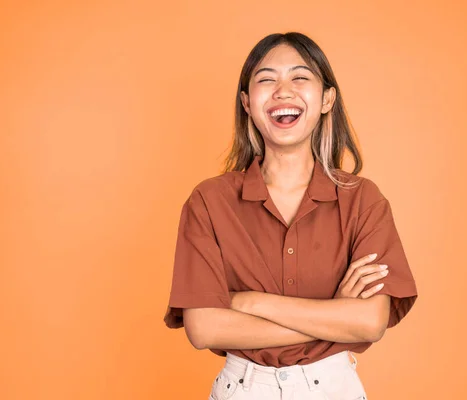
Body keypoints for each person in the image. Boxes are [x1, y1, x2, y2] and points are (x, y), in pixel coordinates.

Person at [163, 32, 418, 400]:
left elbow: (370, 321)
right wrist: (334, 316)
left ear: (327, 98)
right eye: (267, 79)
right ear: (247, 103)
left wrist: (248, 302)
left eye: (300, 77)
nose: (283, 90)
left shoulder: (363, 200)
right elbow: (203, 329)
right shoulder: (209, 201)